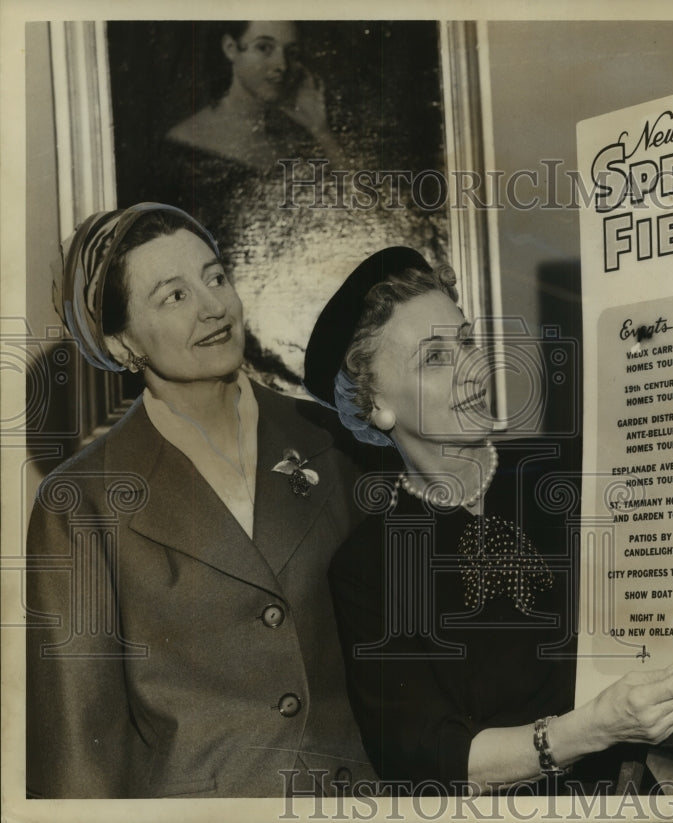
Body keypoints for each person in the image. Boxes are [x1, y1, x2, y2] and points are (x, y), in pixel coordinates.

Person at [304, 247, 673, 794]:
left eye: (465, 340)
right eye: (434, 357)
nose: (471, 367)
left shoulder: (575, 469)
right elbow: (429, 755)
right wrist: (591, 729)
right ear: (376, 405)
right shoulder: (372, 568)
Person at [26, 203, 373, 798]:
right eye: (174, 296)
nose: (213, 306)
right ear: (121, 340)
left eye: (215, 278)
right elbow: (80, 746)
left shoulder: (333, 440)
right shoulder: (80, 502)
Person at [166, 20, 343, 173]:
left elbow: (359, 204)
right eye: (264, 47)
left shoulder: (295, 138)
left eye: (292, 53)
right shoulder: (185, 145)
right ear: (231, 48)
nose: (281, 65)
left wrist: (320, 130)